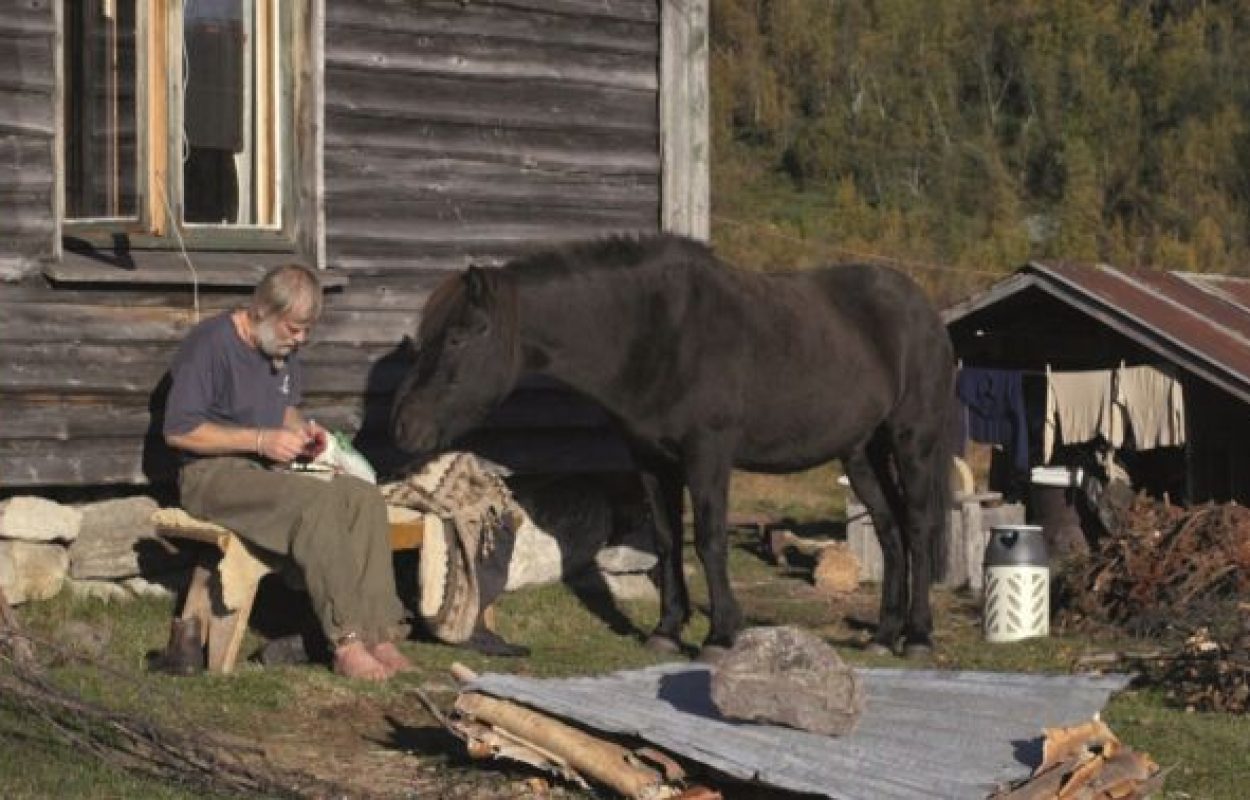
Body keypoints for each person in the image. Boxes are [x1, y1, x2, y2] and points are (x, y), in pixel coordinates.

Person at [163, 263, 412, 682]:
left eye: (307, 331)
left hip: (265, 474)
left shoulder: (281, 351)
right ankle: (346, 642)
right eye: (294, 329)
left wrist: (303, 432)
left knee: (362, 496)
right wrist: (260, 441)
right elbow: (180, 431)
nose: (300, 340)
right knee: (315, 503)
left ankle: (379, 634)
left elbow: (284, 411)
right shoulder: (209, 344)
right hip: (211, 475)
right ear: (262, 311)